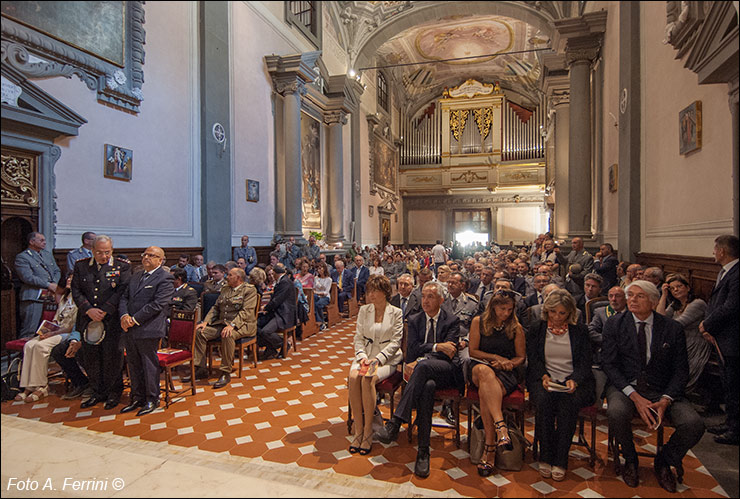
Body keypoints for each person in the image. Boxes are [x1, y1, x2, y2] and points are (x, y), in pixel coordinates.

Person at [602, 280, 705, 492]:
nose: (632, 300)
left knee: (693, 424)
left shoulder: (671, 328)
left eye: (639, 296)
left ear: (653, 301)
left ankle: (665, 460)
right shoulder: (615, 324)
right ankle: (630, 459)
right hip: (626, 387)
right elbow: (609, 365)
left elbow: (680, 370)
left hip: (662, 389)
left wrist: (666, 399)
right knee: (616, 412)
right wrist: (634, 396)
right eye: (630, 295)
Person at [375, 281, 463, 478]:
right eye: (423, 296)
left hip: (446, 372)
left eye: (431, 296)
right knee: (427, 387)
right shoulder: (415, 320)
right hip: (425, 375)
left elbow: (448, 354)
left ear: (441, 299)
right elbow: (412, 349)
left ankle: (396, 422)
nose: (425, 301)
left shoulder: (451, 320)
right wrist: (437, 347)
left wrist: (429, 352)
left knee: (422, 367)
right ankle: (423, 451)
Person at [527, 289, 595, 481]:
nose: (557, 317)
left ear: (570, 313)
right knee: (544, 403)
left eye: (562, 313)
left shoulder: (580, 331)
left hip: (573, 380)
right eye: (553, 312)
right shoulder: (537, 328)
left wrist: (575, 379)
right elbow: (533, 358)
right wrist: (543, 376)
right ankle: (545, 455)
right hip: (545, 379)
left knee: (568, 405)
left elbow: (585, 361)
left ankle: (561, 458)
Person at [468, 289, 526, 476]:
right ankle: (501, 426)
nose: (506, 314)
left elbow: (520, 357)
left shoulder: (516, 327)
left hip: (504, 373)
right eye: (502, 309)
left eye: (509, 309)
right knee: (485, 373)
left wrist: (508, 363)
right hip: (480, 365)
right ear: (493, 307)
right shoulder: (479, 322)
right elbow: (473, 351)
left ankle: (490, 448)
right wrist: (495, 357)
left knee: (487, 393)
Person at [72, 235, 131, 410]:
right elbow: (76, 290)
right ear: (92, 251)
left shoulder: (122, 266)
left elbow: (123, 291)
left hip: (111, 321)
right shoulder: (81, 266)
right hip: (88, 319)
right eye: (99, 252)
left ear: (112, 250)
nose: (104, 256)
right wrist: (88, 309)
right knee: (91, 358)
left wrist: (106, 309)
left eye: (107, 252)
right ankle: (98, 391)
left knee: (112, 357)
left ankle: (114, 393)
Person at [348, 275, 403, 455]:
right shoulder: (364, 310)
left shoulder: (396, 312)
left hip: (386, 359)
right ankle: (358, 429)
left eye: (375, 291)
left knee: (367, 378)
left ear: (385, 292)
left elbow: (396, 342)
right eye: (369, 290)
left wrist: (378, 359)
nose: (371, 295)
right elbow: (358, 338)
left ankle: (368, 431)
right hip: (365, 356)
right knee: (354, 376)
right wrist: (362, 356)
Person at [119, 246, 174, 415]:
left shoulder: (165, 278)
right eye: (145, 255)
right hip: (129, 327)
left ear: (160, 260)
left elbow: (157, 304)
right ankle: (137, 397)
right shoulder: (136, 276)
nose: (147, 258)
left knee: (148, 364)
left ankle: (152, 398)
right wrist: (124, 316)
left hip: (149, 327)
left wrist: (134, 319)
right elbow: (124, 297)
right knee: (133, 364)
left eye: (152, 255)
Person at [187, 267, 258, 388]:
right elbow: (215, 307)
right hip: (222, 323)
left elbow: (246, 312)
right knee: (199, 332)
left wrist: (232, 325)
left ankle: (225, 372)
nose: (227, 277)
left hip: (242, 325)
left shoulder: (249, 290)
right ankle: (200, 368)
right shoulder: (226, 289)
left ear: (238, 278)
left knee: (227, 334)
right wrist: (206, 322)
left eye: (230, 275)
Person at [700, 234, 739, 445]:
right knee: (728, 383)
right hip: (722, 337)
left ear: (722, 251)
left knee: (734, 384)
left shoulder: (736, 273)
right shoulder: (726, 272)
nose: (713, 253)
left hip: (733, 339)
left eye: (715, 249)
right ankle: (730, 421)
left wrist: (708, 324)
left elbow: (731, 307)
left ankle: (736, 429)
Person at [15, 274, 78, 402]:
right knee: (30, 345)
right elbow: (56, 320)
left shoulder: (79, 298)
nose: (69, 280)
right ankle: (28, 387)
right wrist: (44, 331)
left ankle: (42, 386)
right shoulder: (64, 298)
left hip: (67, 333)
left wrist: (53, 334)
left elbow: (73, 326)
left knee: (40, 347)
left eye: (72, 278)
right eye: (68, 278)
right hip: (55, 331)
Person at [656, 273, 708, 391]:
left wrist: (664, 325)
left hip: (693, 343)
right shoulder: (676, 304)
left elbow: (677, 325)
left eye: (679, 286)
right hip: (679, 341)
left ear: (688, 287)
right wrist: (664, 296)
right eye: (672, 288)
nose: (676, 290)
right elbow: (659, 318)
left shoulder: (697, 303)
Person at [15, 232, 62, 338]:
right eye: (41, 240)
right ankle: (24, 353)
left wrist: (54, 283)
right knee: (30, 329)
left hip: (50, 296)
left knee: (47, 329)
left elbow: (56, 270)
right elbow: (28, 277)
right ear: (31, 242)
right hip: (33, 297)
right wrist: (48, 285)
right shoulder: (22, 257)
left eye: (45, 240)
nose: (45, 242)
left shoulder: (46, 254)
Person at [588, 286, 627, 403]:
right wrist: (608, 341)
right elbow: (590, 331)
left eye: (618, 296)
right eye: (611, 296)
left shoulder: (632, 313)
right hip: (606, 352)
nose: (614, 299)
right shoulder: (601, 312)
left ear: (625, 298)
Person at [257, 264, 296, 360]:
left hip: (283, 314)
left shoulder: (285, 282)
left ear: (276, 274)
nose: (271, 276)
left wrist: (266, 308)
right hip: (277, 312)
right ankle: (271, 347)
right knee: (255, 325)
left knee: (265, 332)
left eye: (272, 274)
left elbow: (277, 300)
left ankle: (283, 344)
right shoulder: (282, 281)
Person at [312, 263, 332, 329]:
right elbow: (314, 288)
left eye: (320, 268)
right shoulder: (316, 278)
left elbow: (326, 292)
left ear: (324, 269)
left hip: (325, 297)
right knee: (313, 301)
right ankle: (315, 320)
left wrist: (317, 292)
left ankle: (321, 321)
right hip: (317, 295)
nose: (319, 270)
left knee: (318, 304)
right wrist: (316, 292)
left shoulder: (329, 279)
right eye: (317, 269)